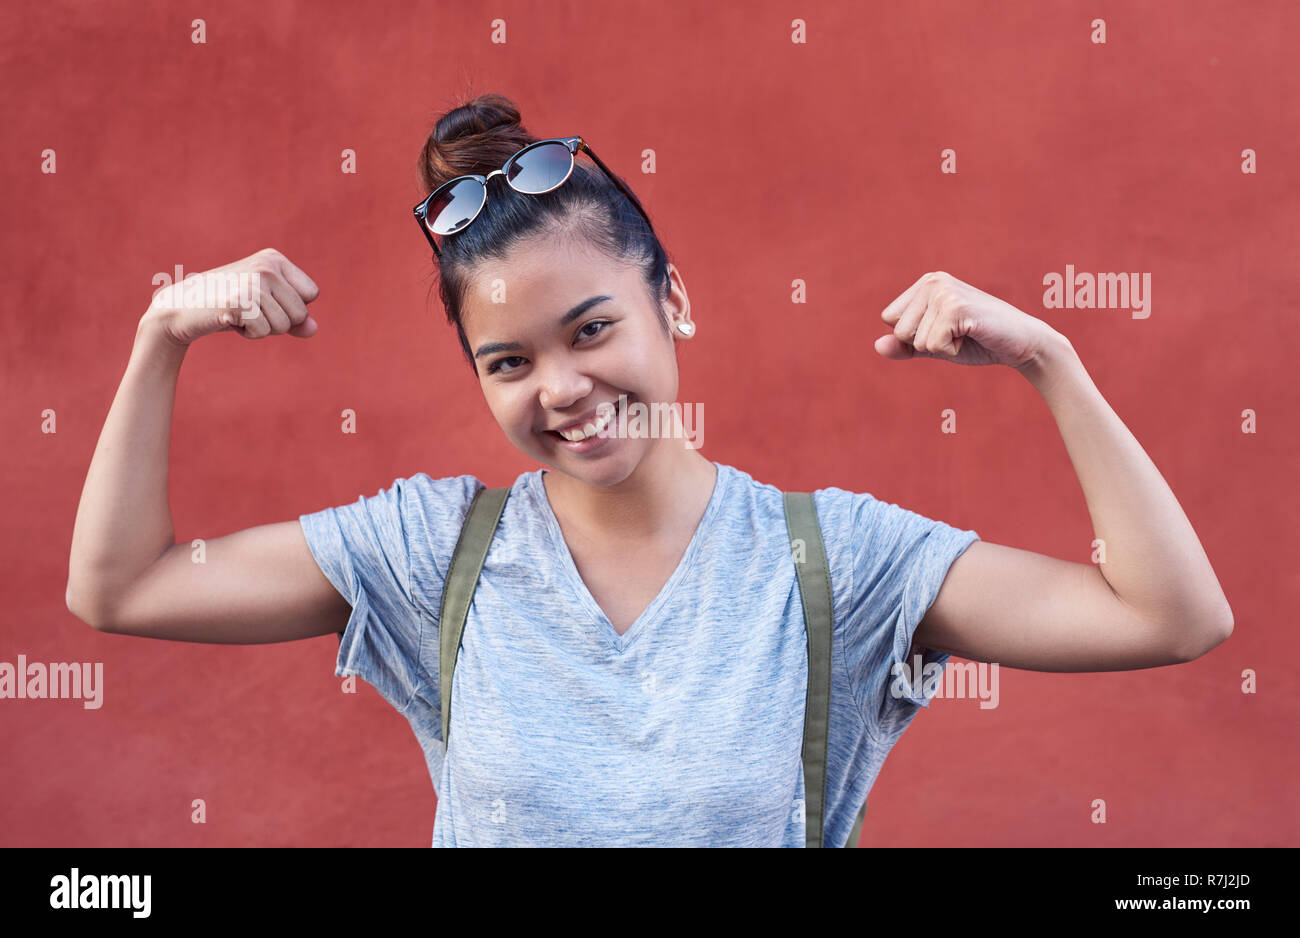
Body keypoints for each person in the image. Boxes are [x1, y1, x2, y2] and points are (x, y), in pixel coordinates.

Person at [66, 93, 1234, 847]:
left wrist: (1051, 358)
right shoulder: (432, 555)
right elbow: (120, 587)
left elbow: (1169, 615)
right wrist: (160, 333)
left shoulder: (833, 565)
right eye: (508, 360)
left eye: (591, 330)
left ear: (670, 299)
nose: (560, 388)